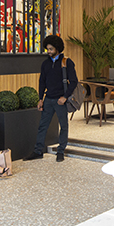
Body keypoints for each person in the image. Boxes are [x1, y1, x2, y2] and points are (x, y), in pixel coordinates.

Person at [27, 34, 78, 162]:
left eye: (51, 49)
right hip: (48, 99)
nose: (48, 51)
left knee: (63, 126)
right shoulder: (45, 64)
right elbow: (42, 81)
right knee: (42, 125)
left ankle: (61, 151)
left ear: (57, 48)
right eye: (47, 49)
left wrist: (65, 97)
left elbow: (74, 81)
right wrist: (40, 99)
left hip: (60, 100)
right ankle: (38, 151)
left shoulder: (67, 62)